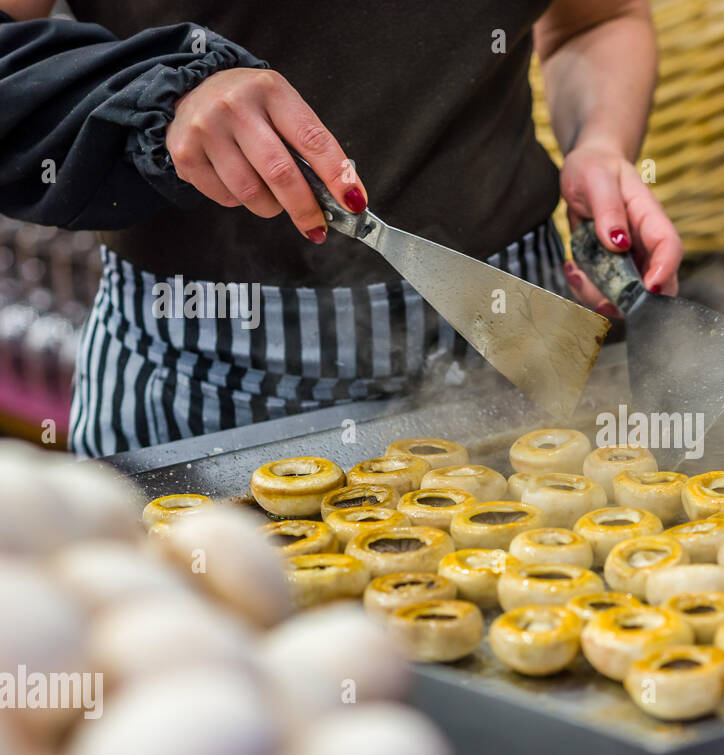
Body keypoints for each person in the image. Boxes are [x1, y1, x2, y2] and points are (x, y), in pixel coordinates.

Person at [0, 0, 682, 456]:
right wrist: (159, 92)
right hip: (199, 384)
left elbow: (596, 20)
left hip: (519, 347)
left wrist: (599, 142)